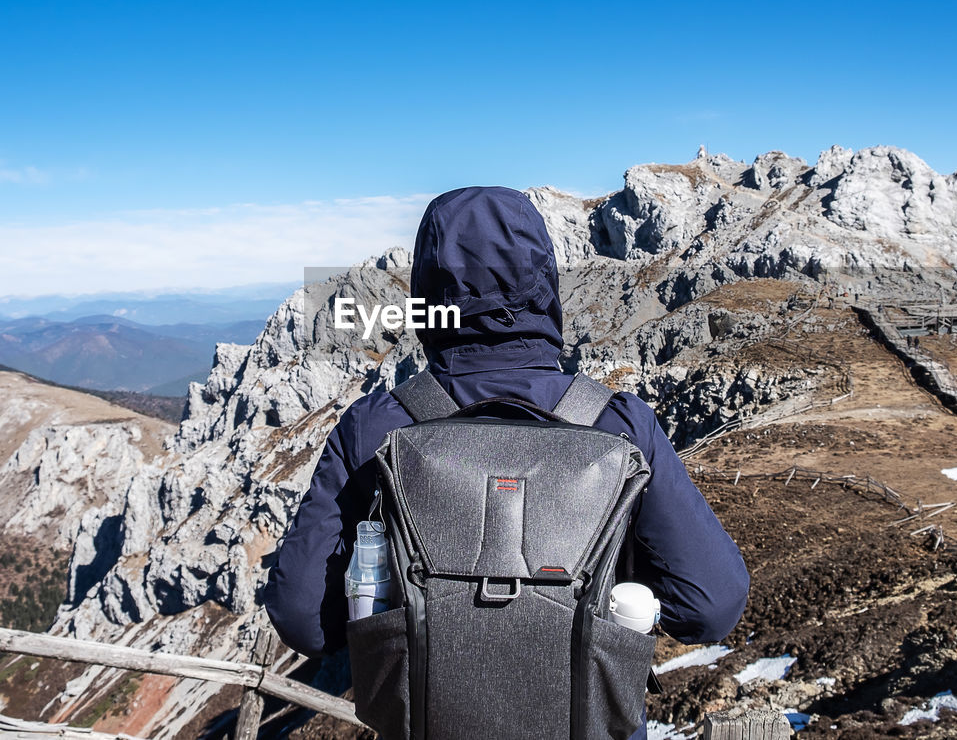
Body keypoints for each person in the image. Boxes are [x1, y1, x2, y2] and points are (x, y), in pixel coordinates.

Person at [264, 186, 749, 738]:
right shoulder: (619, 425)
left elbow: (303, 618)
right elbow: (712, 605)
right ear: (546, 283)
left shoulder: (375, 426)